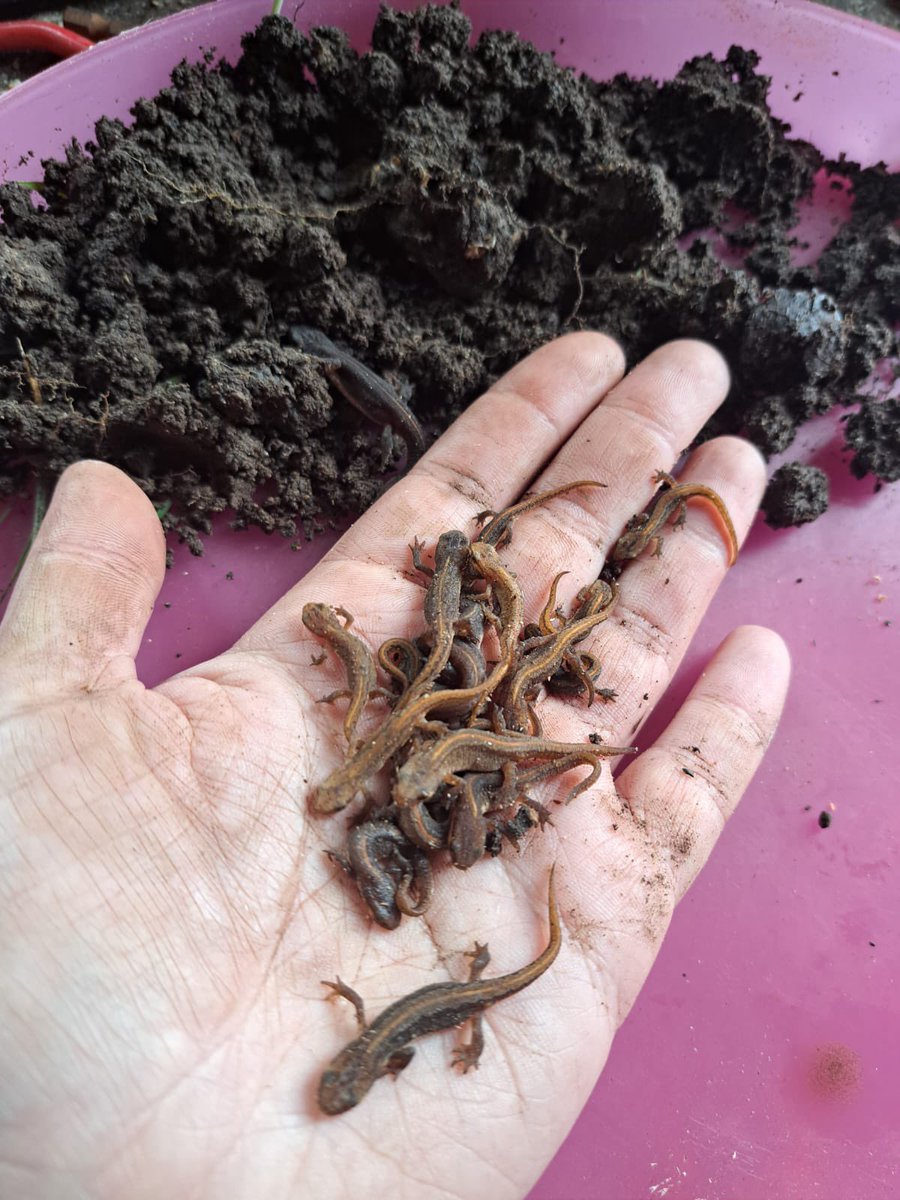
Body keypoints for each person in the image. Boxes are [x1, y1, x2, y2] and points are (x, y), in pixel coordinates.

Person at [0, 333, 789, 1198]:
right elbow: (405, 1014)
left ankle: (521, 737)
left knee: (493, 707)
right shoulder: (390, 1026)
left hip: (469, 736)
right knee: (481, 722)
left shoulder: (387, 1001)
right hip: (459, 762)